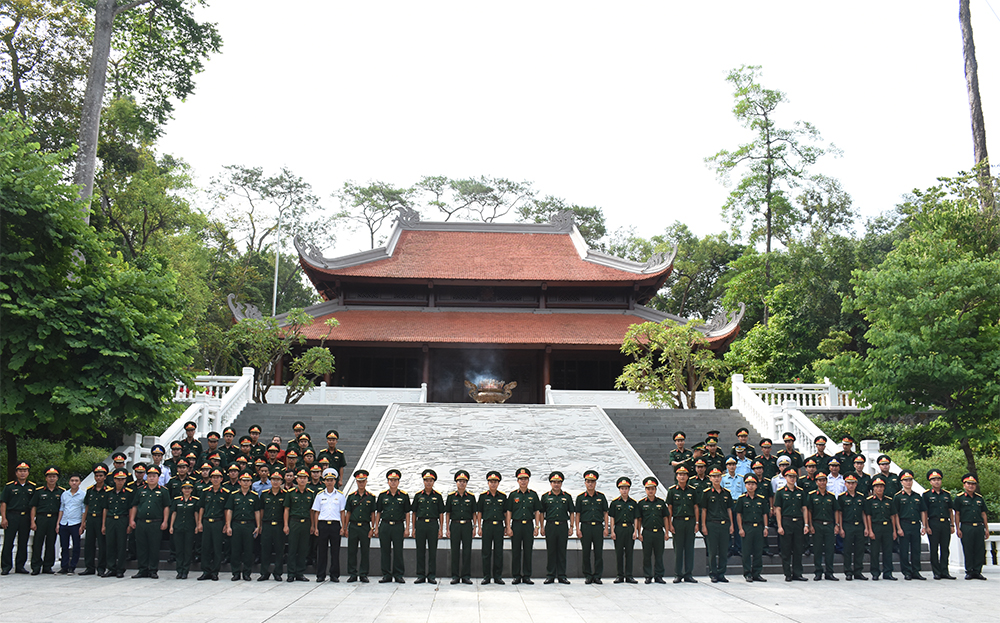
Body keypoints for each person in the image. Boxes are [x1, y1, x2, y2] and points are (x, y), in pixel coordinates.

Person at [129, 464, 170, 578]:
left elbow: (166, 507)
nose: (151, 478)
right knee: (141, 547)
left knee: (154, 547)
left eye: (154, 476)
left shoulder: (163, 491)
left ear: (158, 477)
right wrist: (132, 520)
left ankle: (153, 570)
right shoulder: (140, 490)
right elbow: (135, 506)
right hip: (141, 522)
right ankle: (142, 569)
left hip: (155, 523)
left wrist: (165, 521)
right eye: (150, 476)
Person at [505, 467, 541, 585]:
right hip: (516, 525)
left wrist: (537, 527)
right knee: (516, 551)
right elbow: (509, 511)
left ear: (528, 480)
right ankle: (516, 576)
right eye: (521, 479)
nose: (523, 481)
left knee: (528, 551)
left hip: (529, 525)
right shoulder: (513, 495)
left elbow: (537, 511)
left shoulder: (533, 495)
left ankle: (527, 576)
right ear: (517, 481)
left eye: (525, 479)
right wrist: (508, 527)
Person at [374, 468, 410, 583]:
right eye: (391, 480)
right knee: (385, 551)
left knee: (398, 551)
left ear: (398, 482)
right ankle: (386, 575)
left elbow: (407, 513)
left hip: (398, 526)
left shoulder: (404, 496)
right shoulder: (382, 495)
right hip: (385, 525)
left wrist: (407, 528)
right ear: (388, 481)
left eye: (395, 480)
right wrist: (376, 527)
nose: (393, 482)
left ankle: (398, 574)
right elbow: (378, 512)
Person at [311, 468, 346, 582]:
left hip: (335, 525)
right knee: (322, 551)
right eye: (327, 480)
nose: (329, 482)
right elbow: (316, 512)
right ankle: (321, 575)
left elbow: (342, 512)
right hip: (323, 524)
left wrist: (343, 527)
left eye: (331, 480)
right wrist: (316, 527)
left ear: (335, 481)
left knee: (335, 551)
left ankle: (334, 574)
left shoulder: (340, 495)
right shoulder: (320, 495)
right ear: (324, 481)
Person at [774, 467, 808, 582]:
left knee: (798, 549)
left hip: (798, 522)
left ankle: (797, 573)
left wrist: (806, 524)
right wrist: (779, 526)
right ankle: (787, 573)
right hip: (786, 521)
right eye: (790, 476)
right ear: (785, 477)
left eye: (794, 477)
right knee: (786, 549)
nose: (792, 479)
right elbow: (778, 509)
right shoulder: (780, 492)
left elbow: (804, 508)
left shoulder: (801, 492)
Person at [575, 470, 609, 585]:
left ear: (595, 483)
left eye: (592, 482)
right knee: (586, 552)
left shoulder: (601, 497)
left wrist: (606, 528)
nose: (590, 484)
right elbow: (578, 514)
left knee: (598, 553)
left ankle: (598, 576)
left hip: (598, 527)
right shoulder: (580, 498)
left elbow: (605, 513)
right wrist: (577, 529)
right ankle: (588, 575)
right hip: (586, 527)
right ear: (585, 483)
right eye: (588, 482)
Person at [540, 471, 574, 584]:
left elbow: (572, 512)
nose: (556, 484)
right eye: (554, 482)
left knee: (562, 551)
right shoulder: (545, 497)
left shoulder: (567, 497)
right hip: (550, 526)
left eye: (558, 482)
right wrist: (541, 527)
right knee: (551, 551)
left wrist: (571, 527)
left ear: (561, 483)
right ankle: (550, 575)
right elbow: (541, 513)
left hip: (563, 526)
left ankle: (562, 575)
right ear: (550, 483)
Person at [412, 469, 445, 584]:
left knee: (432, 551)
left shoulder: (438, 496)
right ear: (423, 481)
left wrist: (441, 529)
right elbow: (414, 513)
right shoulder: (418, 496)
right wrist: (413, 528)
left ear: (433, 482)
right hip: (420, 524)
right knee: (420, 550)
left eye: (431, 480)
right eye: (426, 480)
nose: (428, 483)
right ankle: (420, 575)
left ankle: (431, 575)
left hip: (433, 524)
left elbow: (441, 513)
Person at [666, 466, 699, 583]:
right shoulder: (672, 491)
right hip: (678, 522)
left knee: (689, 548)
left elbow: (696, 507)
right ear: (676, 477)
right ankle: (678, 574)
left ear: (688, 476)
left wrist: (697, 523)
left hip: (690, 521)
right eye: (680, 474)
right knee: (678, 549)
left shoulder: (692, 490)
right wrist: (670, 524)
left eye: (684, 474)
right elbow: (669, 508)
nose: (682, 476)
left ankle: (688, 574)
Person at [700, 467, 733, 583]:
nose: (716, 479)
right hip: (712, 524)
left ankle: (721, 573)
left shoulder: (726, 493)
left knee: (724, 551)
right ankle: (713, 573)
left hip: (724, 524)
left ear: (721, 478)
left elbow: (729, 509)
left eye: (718, 476)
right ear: (710, 478)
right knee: (713, 551)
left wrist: (731, 525)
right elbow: (704, 510)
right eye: (714, 477)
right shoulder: (707, 493)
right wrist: (703, 525)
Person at [953, 473, 988, 580]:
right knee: (968, 549)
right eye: (968, 484)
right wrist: (958, 528)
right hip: (967, 526)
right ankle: (969, 571)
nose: (971, 486)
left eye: (973, 484)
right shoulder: (959, 498)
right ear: (964, 485)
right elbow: (957, 514)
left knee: (979, 549)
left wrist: (986, 528)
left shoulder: (979, 498)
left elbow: (983, 514)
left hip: (979, 527)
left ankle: (977, 571)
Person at [922, 469, 956, 580]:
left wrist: (952, 525)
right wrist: (926, 526)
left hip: (945, 523)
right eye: (934, 480)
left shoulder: (946, 494)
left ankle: (945, 571)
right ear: (930, 482)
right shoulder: (926, 495)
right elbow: (925, 512)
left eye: (938, 479)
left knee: (945, 548)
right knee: (934, 548)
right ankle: (936, 572)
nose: (936, 482)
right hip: (933, 523)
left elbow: (950, 510)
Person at [1, 460, 34, 575]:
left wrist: (32, 520)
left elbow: (33, 505)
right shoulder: (9, 486)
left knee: (23, 542)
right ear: (16, 473)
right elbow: (3, 502)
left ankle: (20, 566)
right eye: (20, 471)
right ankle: (6, 566)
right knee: (8, 542)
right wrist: (3, 518)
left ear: (28, 473)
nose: (22, 473)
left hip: (25, 517)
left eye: (25, 471)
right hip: (12, 516)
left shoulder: (32, 487)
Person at [226, 472, 261, 581]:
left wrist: (258, 526)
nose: (246, 483)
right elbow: (229, 511)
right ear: (240, 482)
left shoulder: (254, 496)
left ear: (251, 483)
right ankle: (236, 573)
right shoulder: (234, 495)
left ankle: (247, 573)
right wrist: (228, 525)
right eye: (244, 481)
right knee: (235, 550)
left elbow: (257, 512)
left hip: (249, 525)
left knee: (248, 550)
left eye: (248, 481)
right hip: (236, 524)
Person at [30, 466, 64, 574]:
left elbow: (63, 508)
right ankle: (36, 566)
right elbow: (33, 507)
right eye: (49, 477)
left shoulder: (62, 492)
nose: (52, 479)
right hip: (41, 518)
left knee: (51, 543)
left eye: (54, 476)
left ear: (57, 478)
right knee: (37, 543)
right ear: (46, 478)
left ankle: (48, 566)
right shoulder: (39, 491)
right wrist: (32, 521)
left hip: (54, 519)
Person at [734, 473, 768, 582]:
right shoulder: (742, 499)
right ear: (745, 486)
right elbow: (738, 514)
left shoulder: (761, 499)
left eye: (753, 484)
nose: (751, 486)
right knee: (746, 552)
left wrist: (766, 527)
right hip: (747, 527)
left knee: (758, 551)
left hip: (758, 527)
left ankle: (757, 573)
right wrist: (740, 528)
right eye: (748, 484)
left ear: (756, 485)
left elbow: (764, 514)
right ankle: (747, 573)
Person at [893, 469, 927, 580]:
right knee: (904, 550)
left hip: (915, 525)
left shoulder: (917, 496)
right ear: (901, 482)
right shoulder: (898, 497)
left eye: (910, 480)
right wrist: (898, 528)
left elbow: (922, 511)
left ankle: (916, 571)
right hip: (904, 524)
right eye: (905, 480)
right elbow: (895, 514)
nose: (908, 482)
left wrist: (924, 526)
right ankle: (906, 571)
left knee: (916, 549)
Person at [807, 472, 839, 580]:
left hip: (829, 525)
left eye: (824, 480)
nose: (822, 482)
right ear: (816, 482)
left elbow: (836, 511)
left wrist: (837, 525)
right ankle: (818, 572)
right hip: (817, 524)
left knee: (830, 549)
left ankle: (829, 572)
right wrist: (810, 525)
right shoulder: (812, 495)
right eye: (820, 480)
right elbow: (809, 511)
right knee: (817, 549)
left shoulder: (831, 496)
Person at [197, 468, 228, 581]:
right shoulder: (205, 492)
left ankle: (215, 572)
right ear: (210, 479)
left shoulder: (225, 493)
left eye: (217, 477)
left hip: (218, 522)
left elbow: (226, 510)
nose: (215, 479)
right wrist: (199, 522)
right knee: (205, 547)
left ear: (221, 479)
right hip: (206, 521)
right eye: (213, 477)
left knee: (217, 548)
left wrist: (226, 524)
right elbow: (201, 507)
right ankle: (206, 571)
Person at [865, 475, 898, 581]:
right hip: (875, 526)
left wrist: (894, 531)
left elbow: (893, 516)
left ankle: (888, 572)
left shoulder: (889, 500)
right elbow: (868, 516)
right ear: (873, 488)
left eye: (881, 486)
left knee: (888, 551)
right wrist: (870, 530)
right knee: (874, 552)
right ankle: (875, 572)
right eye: (877, 486)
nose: (879, 488)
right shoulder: (869, 501)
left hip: (887, 527)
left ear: (884, 487)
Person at [345, 469, 376, 583]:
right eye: (359, 481)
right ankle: (352, 573)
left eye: (363, 481)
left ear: (366, 481)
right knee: (352, 551)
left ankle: (363, 574)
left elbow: (373, 513)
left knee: (365, 551)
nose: (361, 483)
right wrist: (345, 528)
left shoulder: (371, 497)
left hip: (365, 527)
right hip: (353, 526)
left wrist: (372, 528)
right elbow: (348, 513)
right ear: (356, 482)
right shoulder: (351, 497)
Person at [636, 476, 669, 584]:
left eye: (652, 489)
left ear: (655, 490)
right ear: (645, 490)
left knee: (659, 555)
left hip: (659, 532)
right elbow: (639, 519)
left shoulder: (661, 503)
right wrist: (639, 533)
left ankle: (659, 576)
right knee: (647, 555)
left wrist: (667, 532)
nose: (650, 491)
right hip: (647, 532)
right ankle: (648, 576)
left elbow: (665, 518)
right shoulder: (641, 503)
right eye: (648, 489)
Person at [477, 470, 508, 584]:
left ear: (498, 483)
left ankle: (498, 576)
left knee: (498, 552)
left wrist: (507, 526)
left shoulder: (503, 497)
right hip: (487, 526)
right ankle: (486, 576)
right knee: (486, 552)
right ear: (488, 483)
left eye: (495, 482)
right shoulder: (483, 497)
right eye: (491, 482)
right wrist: (479, 527)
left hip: (499, 526)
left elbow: (505, 513)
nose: (493, 484)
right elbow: (479, 513)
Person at [445, 470, 475, 584]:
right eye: (459, 481)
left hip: (467, 525)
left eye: (464, 481)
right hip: (455, 525)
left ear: (466, 483)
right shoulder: (451, 497)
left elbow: (474, 513)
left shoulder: (471, 497)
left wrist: (475, 527)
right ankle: (455, 576)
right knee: (455, 551)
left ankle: (466, 576)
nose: (461, 483)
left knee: (467, 551)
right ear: (456, 483)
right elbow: (448, 513)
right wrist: (447, 529)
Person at [102, 468, 133, 578]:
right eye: (118, 479)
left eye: (122, 479)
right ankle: (111, 568)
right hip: (110, 520)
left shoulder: (129, 493)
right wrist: (103, 524)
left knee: (121, 545)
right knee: (110, 544)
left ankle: (120, 569)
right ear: (114, 480)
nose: (120, 481)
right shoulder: (108, 493)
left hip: (122, 520)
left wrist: (130, 524)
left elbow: (130, 509)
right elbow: (105, 509)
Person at [284, 469, 313, 582]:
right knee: (292, 548)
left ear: (307, 480)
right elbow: (287, 509)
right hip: (294, 522)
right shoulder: (291, 493)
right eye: (300, 478)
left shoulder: (310, 493)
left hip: (306, 523)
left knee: (303, 549)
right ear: (296, 479)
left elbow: (312, 511)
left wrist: (313, 525)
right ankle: (291, 573)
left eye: (304, 478)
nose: (302, 480)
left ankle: (300, 573)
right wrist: (286, 525)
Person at [80, 464, 110, 576]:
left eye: (101, 476)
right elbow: (87, 506)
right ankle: (89, 567)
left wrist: (104, 524)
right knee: (89, 544)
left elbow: (105, 508)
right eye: (96, 476)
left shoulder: (108, 490)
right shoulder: (90, 490)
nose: (98, 478)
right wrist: (83, 522)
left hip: (101, 519)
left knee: (102, 545)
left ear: (105, 477)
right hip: (90, 519)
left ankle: (101, 567)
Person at [608, 476, 638, 584]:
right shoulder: (615, 503)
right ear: (619, 489)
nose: (624, 490)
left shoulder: (633, 503)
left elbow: (636, 518)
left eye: (626, 488)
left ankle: (629, 575)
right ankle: (619, 575)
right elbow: (612, 518)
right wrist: (612, 531)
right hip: (619, 529)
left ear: (629, 489)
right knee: (619, 553)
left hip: (629, 529)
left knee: (629, 553)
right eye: (622, 488)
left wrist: (635, 531)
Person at [838, 474, 868, 580]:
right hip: (847, 525)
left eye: (853, 483)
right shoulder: (842, 497)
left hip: (859, 525)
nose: (851, 485)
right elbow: (840, 513)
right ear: (845, 484)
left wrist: (866, 527)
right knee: (847, 550)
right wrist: (840, 527)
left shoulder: (861, 497)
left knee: (859, 550)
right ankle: (848, 571)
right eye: (849, 483)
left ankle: (858, 571)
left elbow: (864, 513)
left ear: (856, 484)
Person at [258, 470, 287, 581]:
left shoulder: (285, 494)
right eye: (274, 480)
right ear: (270, 481)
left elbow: (286, 510)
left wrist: (285, 525)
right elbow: (261, 510)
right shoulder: (265, 494)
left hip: (279, 525)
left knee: (279, 549)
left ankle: (278, 573)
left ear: (281, 482)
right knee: (265, 549)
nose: (275, 482)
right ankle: (264, 572)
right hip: (267, 525)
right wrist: (260, 525)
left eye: (278, 480)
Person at [170, 481, 200, 579]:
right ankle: (179, 570)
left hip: (189, 527)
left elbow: (196, 514)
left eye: (189, 488)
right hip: (178, 527)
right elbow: (174, 513)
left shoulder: (195, 500)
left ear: (192, 490)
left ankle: (185, 571)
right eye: (185, 488)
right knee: (179, 550)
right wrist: (171, 526)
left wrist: (197, 525)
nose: (187, 490)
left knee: (187, 550)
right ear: (182, 489)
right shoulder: (177, 500)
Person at [57, 472, 86, 573]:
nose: (74, 483)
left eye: (76, 481)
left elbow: (84, 510)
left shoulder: (83, 495)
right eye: (72, 481)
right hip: (64, 522)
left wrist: (82, 524)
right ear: (69, 482)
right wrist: (58, 523)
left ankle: (72, 566)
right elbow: (61, 509)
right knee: (64, 546)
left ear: (80, 482)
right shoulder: (65, 494)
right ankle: (64, 566)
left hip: (76, 523)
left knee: (76, 546)